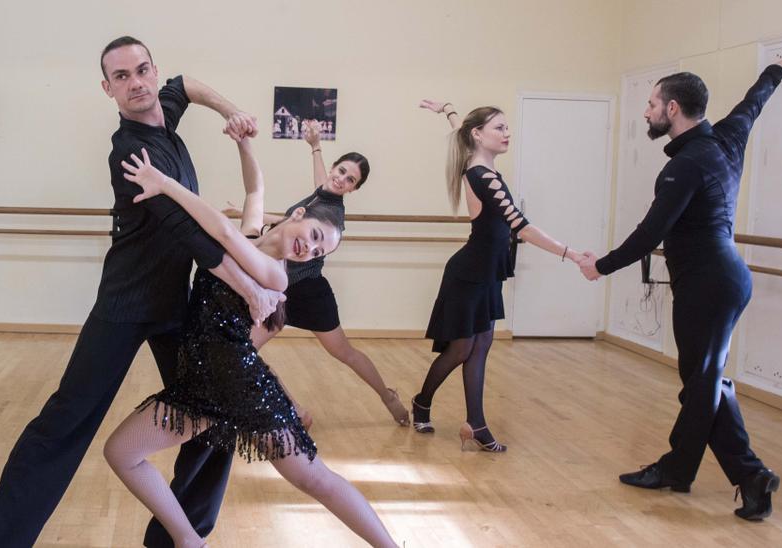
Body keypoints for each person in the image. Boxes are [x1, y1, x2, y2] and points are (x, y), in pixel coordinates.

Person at [0, 36, 282, 548]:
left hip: (174, 306)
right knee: (65, 424)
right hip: (126, 306)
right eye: (121, 77)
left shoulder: (164, 108)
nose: (135, 83)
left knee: (214, 415)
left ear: (153, 72)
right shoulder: (130, 150)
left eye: (142, 71)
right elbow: (189, 233)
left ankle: (179, 537)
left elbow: (187, 86)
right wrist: (250, 288)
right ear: (107, 88)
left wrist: (232, 110)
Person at [106, 138, 399, 548]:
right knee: (121, 452)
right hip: (202, 386)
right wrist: (244, 144)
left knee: (312, 477)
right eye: (314, 234)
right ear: (298, 214)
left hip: (238, 385)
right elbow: (255, 189)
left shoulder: (274, 275)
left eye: (318, 251)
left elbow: (222, 230)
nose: (310, 248)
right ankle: (189, 541)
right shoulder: (254, 237)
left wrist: (165, 183)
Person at [578, 53, 782, 521]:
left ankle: (743, 474)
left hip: (707, 284)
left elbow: (650, 232)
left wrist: (601, 267)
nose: (645, 111)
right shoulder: (727, 137)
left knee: (701, 385)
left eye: (651, 104)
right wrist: (777, 71)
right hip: (725, 279)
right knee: (704, 383)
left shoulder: (683, 166)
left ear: (672, 109)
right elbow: (754, 103)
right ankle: (685, 469)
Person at [415, 99, 587, 451]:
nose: (507, 133)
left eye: (507, 127)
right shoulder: (482, 177)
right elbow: (521, 227)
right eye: (499, 128)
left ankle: (476, 424)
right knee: (462, 348)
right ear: (478, 135)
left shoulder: (477, 166)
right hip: (468, 274)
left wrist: (448, 109)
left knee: (481, 347)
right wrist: (570, 254)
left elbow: (460, 131)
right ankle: (422, 401)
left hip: (486, 272)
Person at [239, 120, 409, 426]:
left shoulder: (332, 216)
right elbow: (309, 198)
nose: (342, 179)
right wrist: (315, 146)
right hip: (281, 291)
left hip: (308, 293)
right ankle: (295, 411)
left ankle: (387, 395)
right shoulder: (322, 195)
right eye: (341, 171)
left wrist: (256, 219)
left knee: (345, 353)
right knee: (246, 349)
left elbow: (306, 231)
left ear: (354, 189)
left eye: (351, 179)